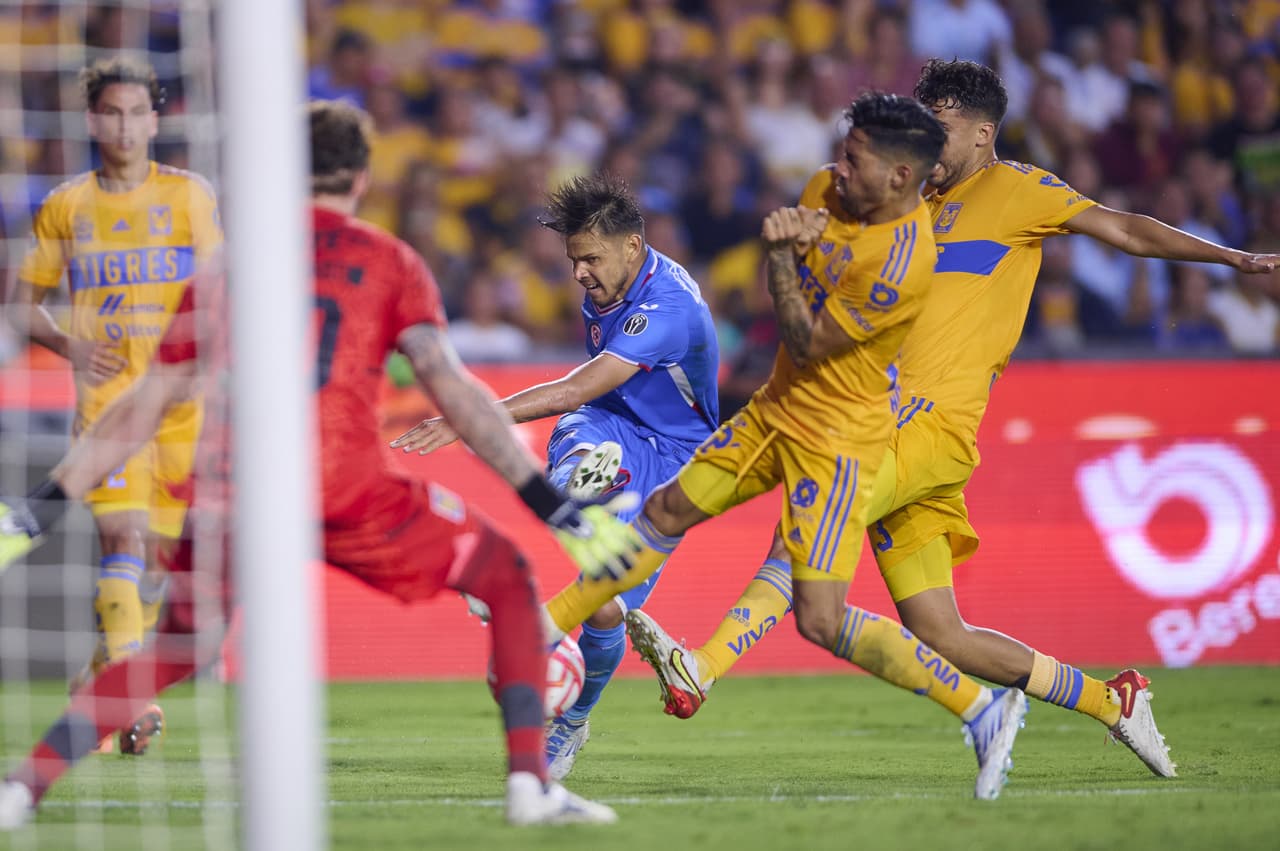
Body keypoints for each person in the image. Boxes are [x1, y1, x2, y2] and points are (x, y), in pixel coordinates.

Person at [626, 59, 1279, 780]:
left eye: (942, 129)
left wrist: (1232, 257)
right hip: (886, 422)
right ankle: (1113, 700)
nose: (928, 143)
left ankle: (700, 668)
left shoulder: (1019, 190)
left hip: (931, 426)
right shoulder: (906, 208)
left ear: (982, 133)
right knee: (943, 632)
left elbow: (1125, 229)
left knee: (811, 524)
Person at [0, 100, 640, 829]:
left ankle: (20, 789)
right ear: (362, 177)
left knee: (174, 647)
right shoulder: (390, 260)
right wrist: (550, 504)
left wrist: (41, 505)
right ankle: (530, 784)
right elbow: (456, 393)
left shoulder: (231, 270)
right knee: (507, 576)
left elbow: (144, 405)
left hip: (238, 494)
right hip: (350, 489)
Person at [537, 92, 1030, 801]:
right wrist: (794, 256)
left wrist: (780, 257)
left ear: (897, 177)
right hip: (776, 408)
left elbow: (801, 332)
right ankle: (543, 621)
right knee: (669, 508)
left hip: (838, 440)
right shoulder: (824, 191)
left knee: (818, 618)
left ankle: (983, 708)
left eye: (855, 156)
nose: (838, 163)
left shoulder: (905, 262)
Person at [391, 172, 720, 780]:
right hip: (604, 424)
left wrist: (468, 417)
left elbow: (571, 384)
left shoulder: (665, 307)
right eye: (573, 260)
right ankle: (578, 520)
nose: (580, 274)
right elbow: (583, 397)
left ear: (632, 245)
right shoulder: (609, 278)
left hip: (676, 456)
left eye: (590, 258)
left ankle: (571, 712)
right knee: (578, 475)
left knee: (606, 611)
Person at [7, 55, 222, 755]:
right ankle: (134, 697)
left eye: (138, 112)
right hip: (108, 408)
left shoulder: (190, 196)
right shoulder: (66, 204)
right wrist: (71, 346)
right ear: (92, 119)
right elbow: (19, 305)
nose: (125, 125)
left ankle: (96, 683)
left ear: (155, 119)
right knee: (123, 542)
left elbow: (222, 293)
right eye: (112, 113)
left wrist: (210, 363)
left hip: (184, 412)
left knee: (155, 567)